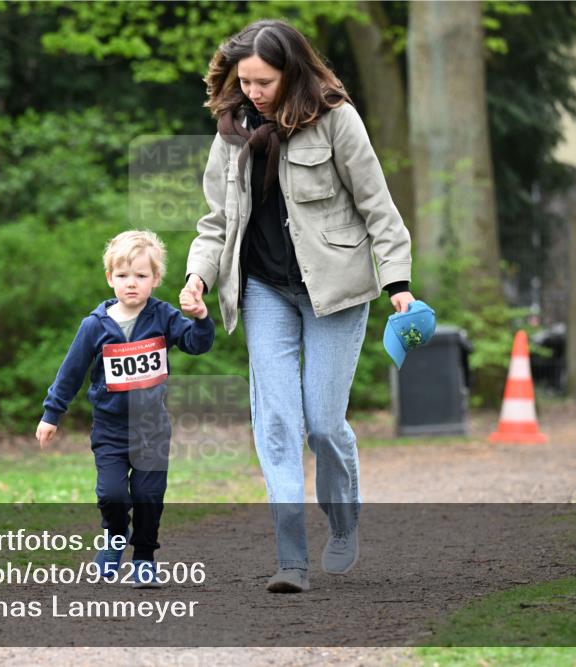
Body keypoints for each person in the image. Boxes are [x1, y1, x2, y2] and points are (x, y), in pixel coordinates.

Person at [181, 19, 415, 593]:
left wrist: (399, 284)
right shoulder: (231, 132)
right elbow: (216, 222)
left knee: (322, 422)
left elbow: (378, 208)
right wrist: (197, 278)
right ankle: (291, 558)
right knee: (277, 421)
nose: (253, 92)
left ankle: (342, 520)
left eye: (263, 81)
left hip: (334, 289)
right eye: (245, 81)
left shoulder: (336, 118)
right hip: (263, 289)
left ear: (292, 71)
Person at [37, 230, 215, 588]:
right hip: (111, 429)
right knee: (112, 495)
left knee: (149, 497)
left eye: (140, 276)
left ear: (155, 279)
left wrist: (200, 317)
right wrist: (51, 414)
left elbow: (197, 344)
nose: (131, 284)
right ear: (109, 278)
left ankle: (145, 558)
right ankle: (116, 537)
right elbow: (70, 372)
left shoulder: (163, 317)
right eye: (123, 276)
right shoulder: (94, 326)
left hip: (152, 429)